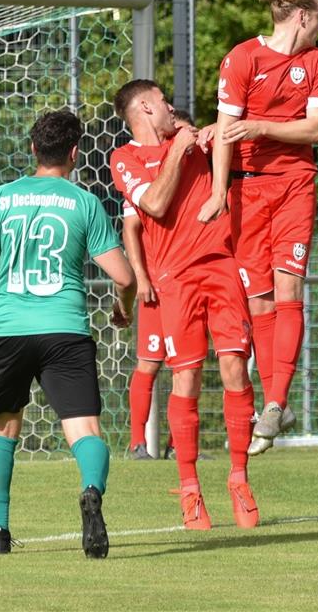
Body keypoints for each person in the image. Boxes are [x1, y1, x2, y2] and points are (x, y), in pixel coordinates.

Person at [0, 110, 136, 557]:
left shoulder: (2, 198)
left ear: (33, 149)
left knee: (1, 429)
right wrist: (121, 309)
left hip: (8, 330)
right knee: (84, 429)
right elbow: (124, 278)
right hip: (65, 329)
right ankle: (90, 490)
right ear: (74, 153)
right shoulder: (84, 202)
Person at [110, 80, 258, 529]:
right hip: (175, 280)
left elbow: (235, 133)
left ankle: (239, 478)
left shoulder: (193, 140)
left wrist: (217, 131)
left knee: (235, 367)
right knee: (186, 378)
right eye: (164, 102)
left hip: (221, 265)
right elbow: (152, 205)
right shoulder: (125, 158)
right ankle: (190, 489)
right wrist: (178, 147)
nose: (173, 108)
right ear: (147, 107)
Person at [198, 0, 318, 456]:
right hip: (246, 192)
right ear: (301, 15)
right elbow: (225, 133)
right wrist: (217, 192)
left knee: (289, 286)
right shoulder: (241, 58)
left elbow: (315, 130)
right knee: (259, 303)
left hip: (296, 185)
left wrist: (263, 127)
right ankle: (276, 405)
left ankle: (274, 403)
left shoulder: (317, 61)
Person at [122, 109, 196, 461]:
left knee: (188, 367)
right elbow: (131, 227)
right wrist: (141, 276)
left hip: (188, 283)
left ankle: (176, 443)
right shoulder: (143, 168)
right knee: (149, 362)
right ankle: (138, 442)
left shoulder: (188, 171)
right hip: (157, 284)